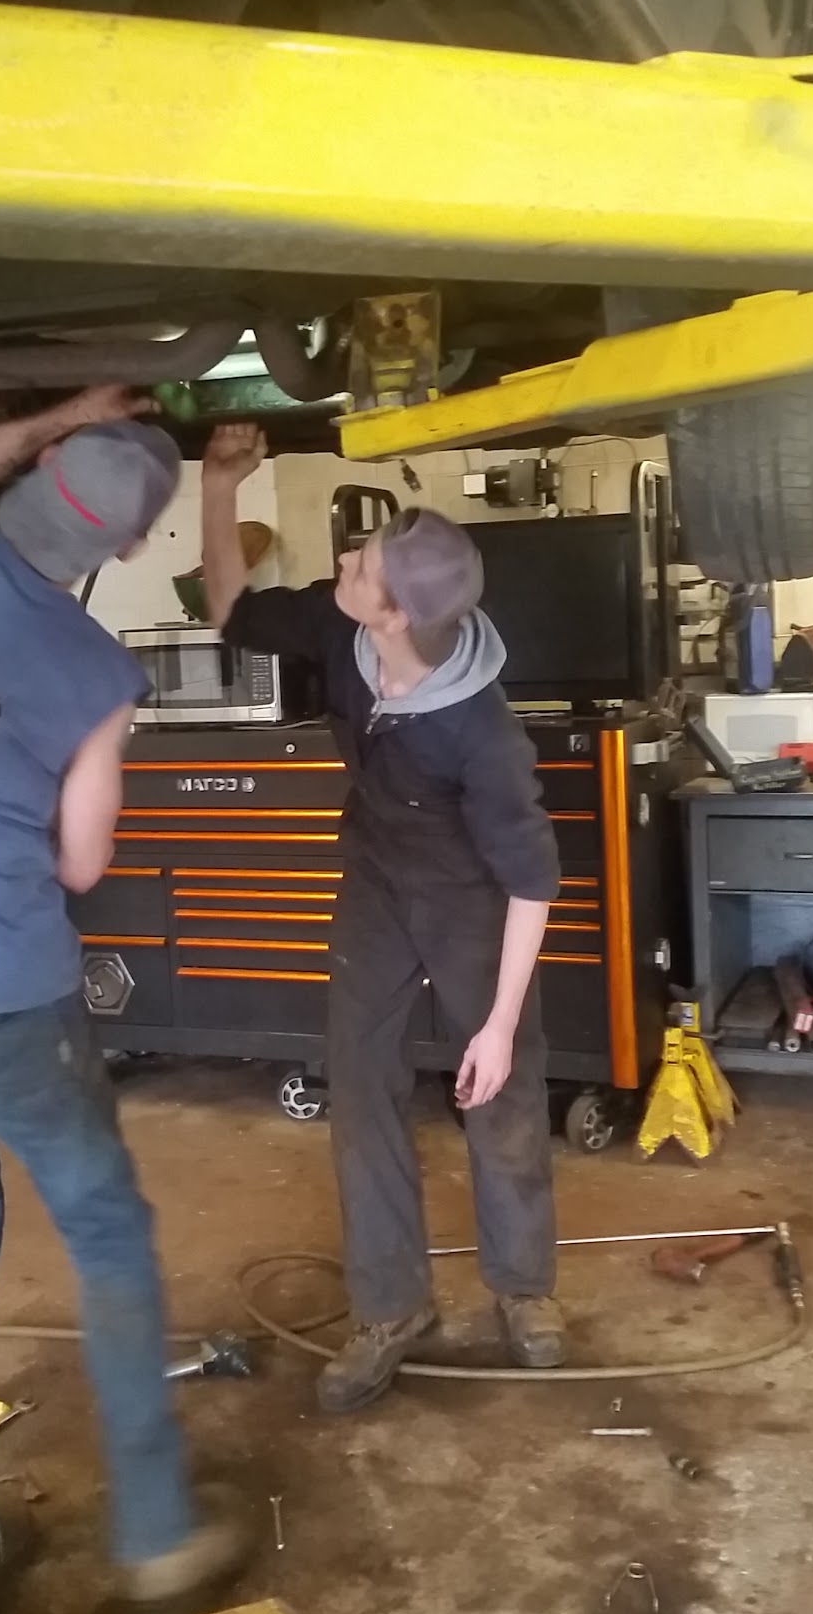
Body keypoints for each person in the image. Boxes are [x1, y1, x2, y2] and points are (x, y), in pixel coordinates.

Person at [0, 386, 243, 1601]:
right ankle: (156, 1532)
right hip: (11, 999)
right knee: (107, 1231)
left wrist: (60, 412)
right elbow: (82, 863)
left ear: (30, 479)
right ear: (123, 550)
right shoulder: (94, 668)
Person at [201, 422, 565, 1413]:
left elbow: (533, 882)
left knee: (501, 1089)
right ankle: (390, 1306)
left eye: (358, 568)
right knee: (360, 1085)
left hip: (470, 899)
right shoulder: (342, 628)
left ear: (398, 612)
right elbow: (230, 610)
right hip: (374, 883)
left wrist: (496, 1025)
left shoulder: (482, 733)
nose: (343, 570)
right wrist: (220, 488)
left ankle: (523, 1288)